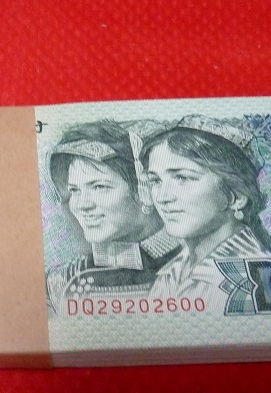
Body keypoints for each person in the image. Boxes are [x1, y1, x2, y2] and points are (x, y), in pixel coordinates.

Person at [141, 115, 271, 313]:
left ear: (237, 196)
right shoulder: (171, 273)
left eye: (182, 178)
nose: (162, 197)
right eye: (155, 181)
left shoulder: (259, 280)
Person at [46, 120, 180, 312]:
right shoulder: (61, 283)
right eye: (74, 190)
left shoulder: (198, 267)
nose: (82, 205)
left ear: (145, 189)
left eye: (99, 187)